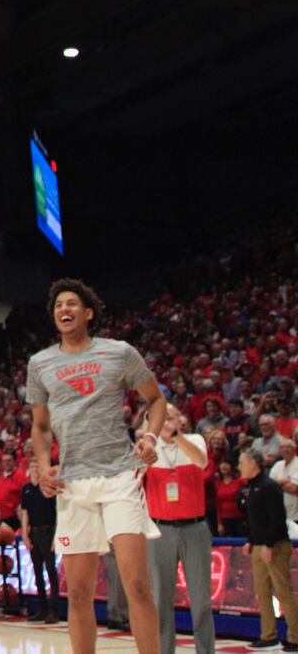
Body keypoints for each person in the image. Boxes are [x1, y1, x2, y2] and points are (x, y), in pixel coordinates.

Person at [28, 277, 166, 654]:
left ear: (88, 312)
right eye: (58, 306)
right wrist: (43, 465)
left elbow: (156, 400)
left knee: (137, 584)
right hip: (72, 483)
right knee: (78, 595)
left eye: (71, 304)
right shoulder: (40, 364)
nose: (64, 310)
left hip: (119, 475)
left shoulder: (119, 352)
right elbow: (40, 427)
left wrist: (150, 436)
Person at [145, 403, 213, 654]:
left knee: (201, 598)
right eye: (162, 417)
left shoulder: (194, 439)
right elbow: (134, 474)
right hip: (160, 529)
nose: (166, 421)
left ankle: (205, 651)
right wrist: (148, 439)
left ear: (180, 420)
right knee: (161, 599)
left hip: (194, 527)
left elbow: (201, 460)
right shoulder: (149, 448)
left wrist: (175, 437)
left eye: (171, 416)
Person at [243, 449, 298, 650]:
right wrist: (251, 540)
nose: (239, 466)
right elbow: (256, 520)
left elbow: (277, 518)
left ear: (253, 464)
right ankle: (269, 635)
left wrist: (268, 544)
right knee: (262, 592)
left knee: (283, 592)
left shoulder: (269, 486)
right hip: (259, 545)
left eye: (242, 462)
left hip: (275, 546)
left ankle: (295, 637)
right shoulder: (251, 487)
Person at [19, 462, 60, 622]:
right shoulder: (27, 489)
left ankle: (54, 610)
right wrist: (25, 534)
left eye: (38, 467)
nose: (36, 470)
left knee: (51, 571)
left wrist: (56, 536)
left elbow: (58, 513)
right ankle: (42, 608)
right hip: (34, 531)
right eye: (33, 467)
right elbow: (25, 512)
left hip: (48, 530)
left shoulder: (49, 488)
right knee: (37, 572)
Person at [270, 436, 298, 523]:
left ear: (294, 449)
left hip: (295, 514)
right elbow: (269, 486)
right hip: (279, 513)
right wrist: (282, 482)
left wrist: (276, 484)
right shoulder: (277, 465)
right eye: (282, 447)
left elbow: (294, 488)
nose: (285, 449)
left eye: (288, 447)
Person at [214, 460, 245, 536]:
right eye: (222, 463)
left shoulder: (240, 481)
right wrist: (219, 523)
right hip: (225, 519)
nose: (224, 466)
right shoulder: (217, 483)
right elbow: (218, 505)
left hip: (240, 518)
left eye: (227, 463)